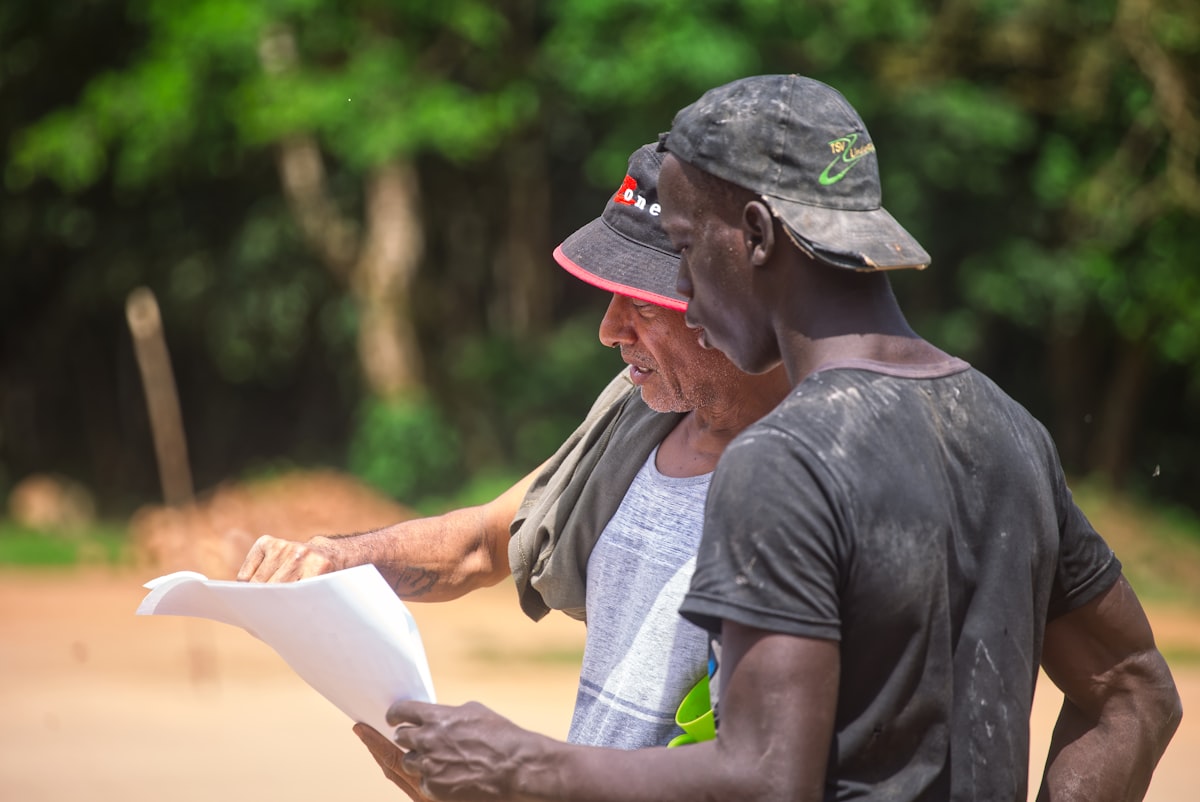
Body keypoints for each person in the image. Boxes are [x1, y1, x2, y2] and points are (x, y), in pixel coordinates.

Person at [362, 75, 1182, 802]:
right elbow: (1135, 691)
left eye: (683, 249)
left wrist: (517, 768)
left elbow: (762, 777)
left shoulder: (785, 459)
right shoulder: (1008, 429)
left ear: (755, 236)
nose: (679, 287)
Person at [238, 143, 790, 754]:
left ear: (732, 296)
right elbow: (480, 544)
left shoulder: (823, 476)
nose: (609, 330)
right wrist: (337, 560)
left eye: (641, 303)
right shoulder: (641, 416)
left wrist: (521, 783)